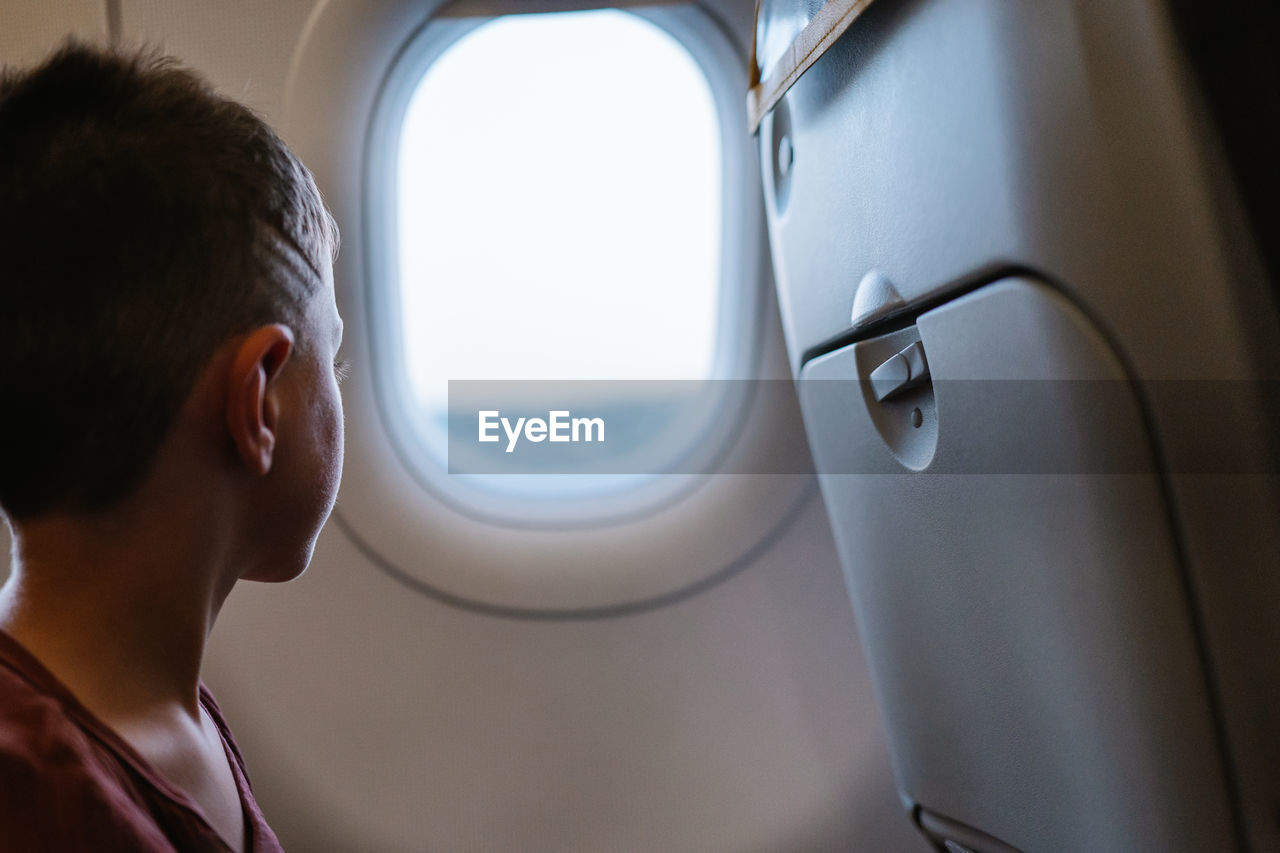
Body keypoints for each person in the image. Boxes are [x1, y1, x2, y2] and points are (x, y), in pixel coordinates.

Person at [0, 40, 345, 851]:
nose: (340, 389)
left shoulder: (167, 707)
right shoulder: (35, 795)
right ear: (257, 399)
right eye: (335, 357)